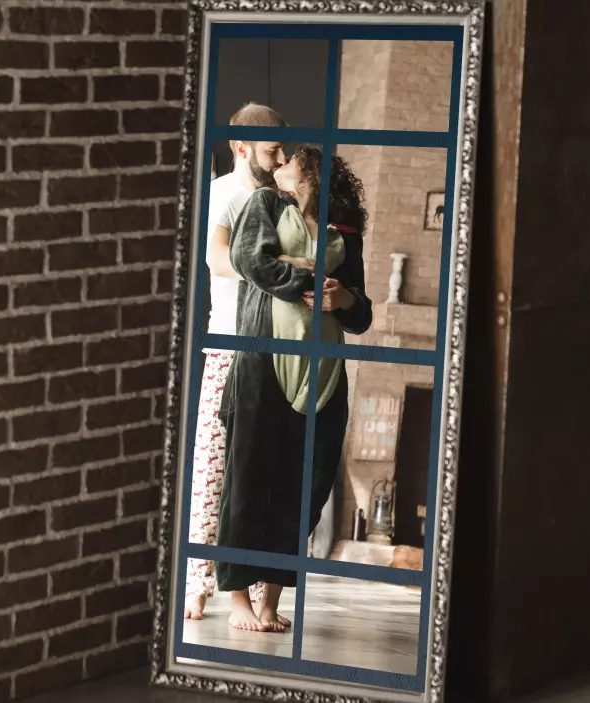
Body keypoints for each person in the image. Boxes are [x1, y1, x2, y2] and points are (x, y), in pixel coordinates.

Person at [216, 145, 372, 632]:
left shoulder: (343, 232)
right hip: (263, 365)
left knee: (303, 491)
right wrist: (304, 275)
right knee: (247, 483)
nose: (279, 164)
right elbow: (249, 259)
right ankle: (239, 599)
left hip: (323, 374)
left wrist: (343, 298)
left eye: (289, 161)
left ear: (311, 174)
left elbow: (361, 313)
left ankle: (270, 601)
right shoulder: (265, 203)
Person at [185, 103, 289, 622]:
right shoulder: (224, 193)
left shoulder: (279, 198)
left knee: (258, 473)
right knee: (213, 467)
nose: (281, 160)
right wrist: (276, 269)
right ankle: (198, 585)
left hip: (274, 348)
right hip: (229, 344)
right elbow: (216, 259)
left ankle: (252, 586)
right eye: (272, 151)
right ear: (242, 147)